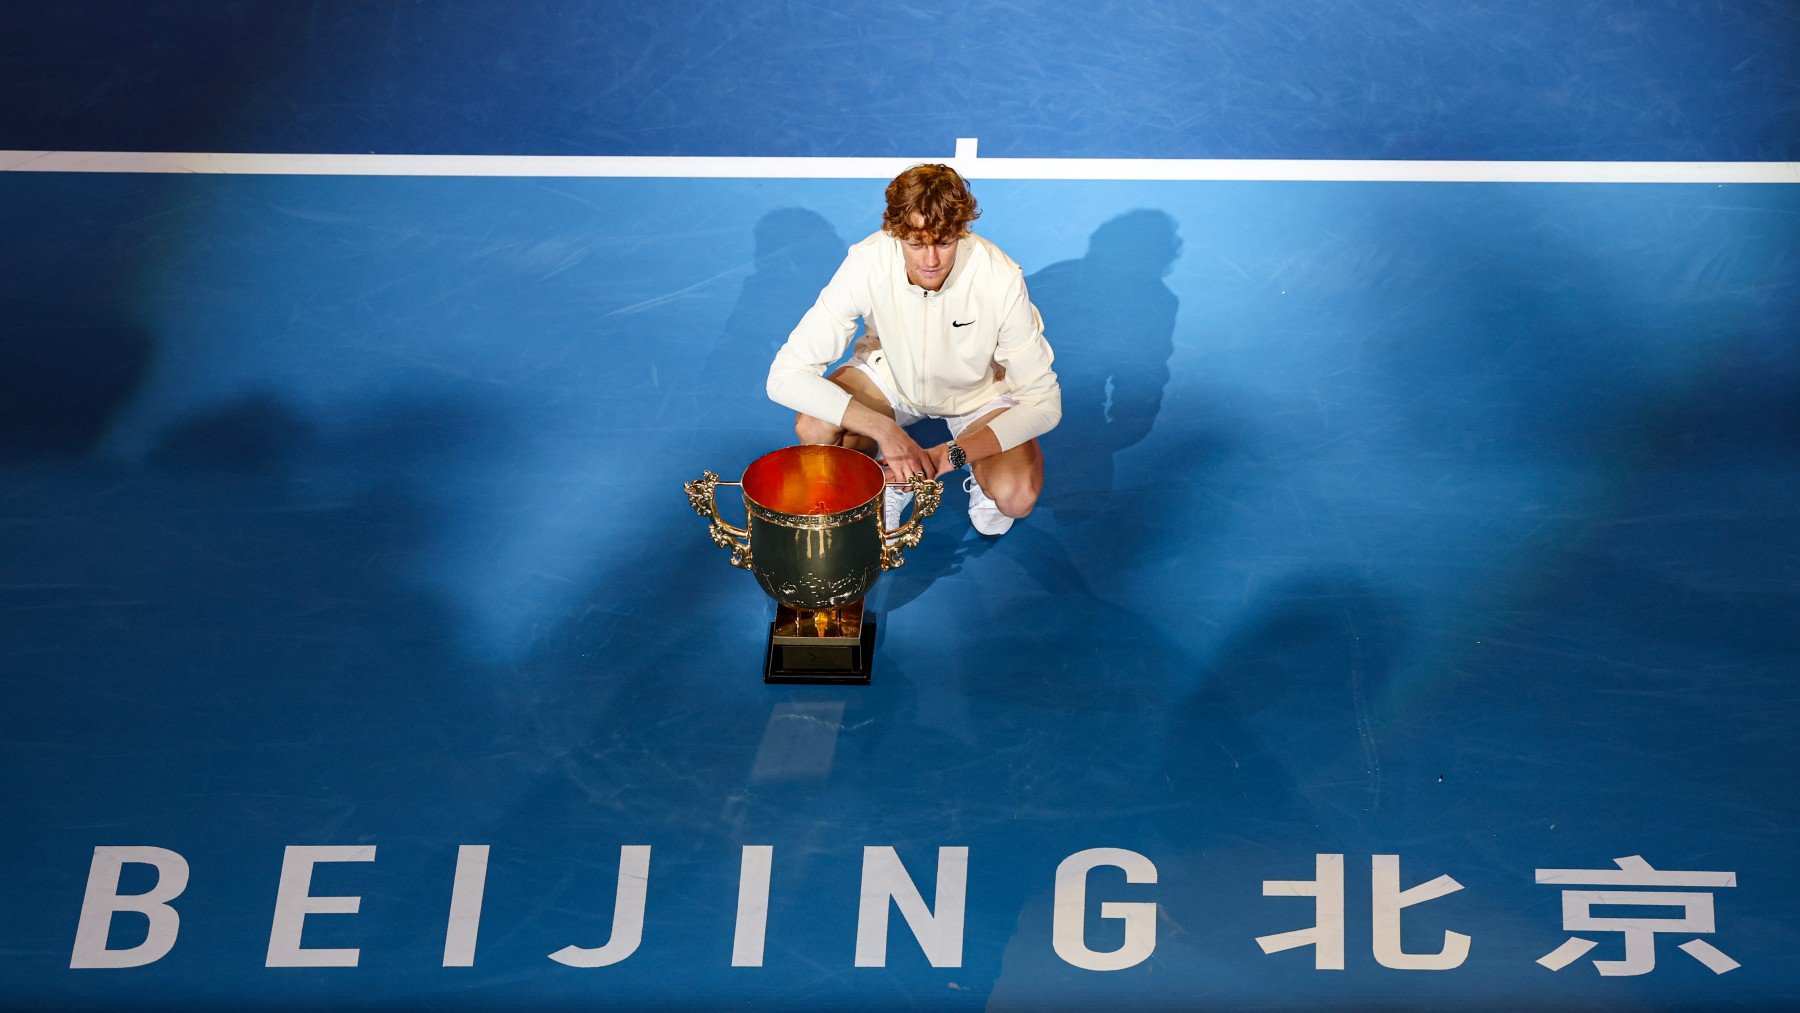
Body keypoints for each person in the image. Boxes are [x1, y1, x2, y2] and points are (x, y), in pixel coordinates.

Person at [766, 164, 1060, 536]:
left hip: (979, 395)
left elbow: (1044, 405)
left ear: (963, 230)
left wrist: (948, 455)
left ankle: (975, 468)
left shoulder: (999, 277)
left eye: (944, 242)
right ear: (894, 232)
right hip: (891, 381)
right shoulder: (866, 262)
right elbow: (784, 378)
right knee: (815, 425)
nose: (931, 260)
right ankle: (886, 475)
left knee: (1015, 497)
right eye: (916, 244)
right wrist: (885, 430)